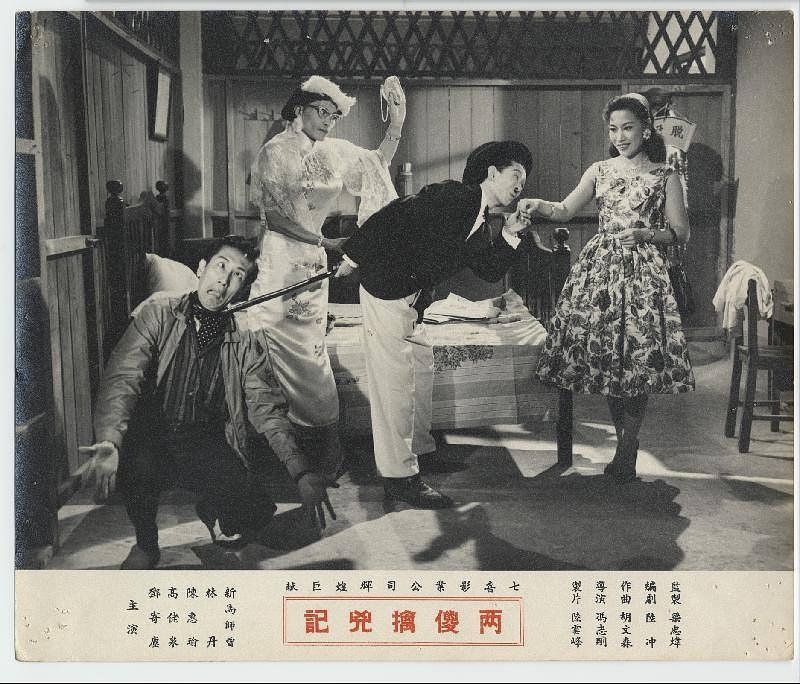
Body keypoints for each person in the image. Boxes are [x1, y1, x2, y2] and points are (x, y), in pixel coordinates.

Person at [79, 236, 337, 570]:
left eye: (237, 275)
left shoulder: (246, 337)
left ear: (242, 290)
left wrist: (300, 470)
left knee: (256, 519)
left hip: (204, 440)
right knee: (138, 466)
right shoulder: (157, 312)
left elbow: (266, 409)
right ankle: (146, 543)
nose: (223, 281)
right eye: (220, 266)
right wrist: (110, 440)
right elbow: (122, 380)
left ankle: (214, 508)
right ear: (202, 268)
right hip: (152, 435)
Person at [335, 140, 534, 508]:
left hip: (413, 300)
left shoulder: (479, 222)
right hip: (387, 289)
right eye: (515, 174)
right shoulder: (456, 196)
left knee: (421, 371)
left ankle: (421, 453)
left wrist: (512, 232)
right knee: (396, 385)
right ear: (492, 173)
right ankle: (400, 478)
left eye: (524, 179)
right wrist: (352, 256)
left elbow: (489, 269)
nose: (520, 185)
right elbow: (394, 212)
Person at [524, 93, 695, 484]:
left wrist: (646, 233)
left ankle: (628, 445)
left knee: (637, 360)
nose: (620, 136)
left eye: (628, 128)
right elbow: (564, 210)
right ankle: (625, 443)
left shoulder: (665, 175)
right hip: (601, 272)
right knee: (611, 361)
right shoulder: (599, 170)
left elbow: (681, 232)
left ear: (646, 130)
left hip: (644, 274)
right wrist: (537, 204)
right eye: (613, 129)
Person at [247, 75, 404, 477]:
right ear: (299, 109)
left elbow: (376, 163)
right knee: (292, 353)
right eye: (322, 112)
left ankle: (318, 451)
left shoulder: (332, 151)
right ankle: (292, 450)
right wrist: (325, 241)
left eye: (334, 116)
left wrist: (397, 123)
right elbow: (274, 218)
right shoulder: (274, 152)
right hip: (282, 263)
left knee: (312, 352)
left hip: (314, 265)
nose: (328, 122)